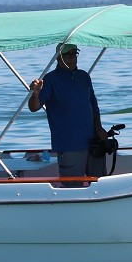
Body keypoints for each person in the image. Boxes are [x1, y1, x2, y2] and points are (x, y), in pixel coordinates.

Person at [28, 43, 107, 183]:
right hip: (69, 144)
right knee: (72, 187)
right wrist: (35, 94)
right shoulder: (50, 79)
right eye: (67, 55)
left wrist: (99, 128)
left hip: (93, 142)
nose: (72, 58)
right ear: (58, 57)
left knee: (100, 184)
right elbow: (34, 107)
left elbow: (93, 105)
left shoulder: (84, 76)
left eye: (74, 54)